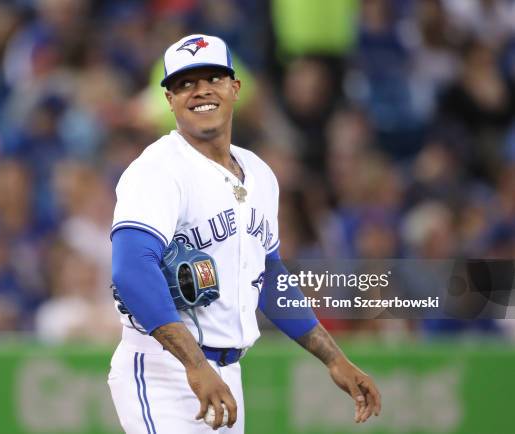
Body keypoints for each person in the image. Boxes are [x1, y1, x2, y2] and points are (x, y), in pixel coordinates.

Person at [108, 34, 381, 433]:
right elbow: (131, 269)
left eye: (213, 78)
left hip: (225, 373)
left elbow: (269, 278)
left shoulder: (260, 175)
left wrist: (334, 358)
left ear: (235, 88)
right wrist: (196, 366)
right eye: (185, 83)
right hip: (164, 368)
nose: (200, 90)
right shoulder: (158, 170)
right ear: (169, 99)